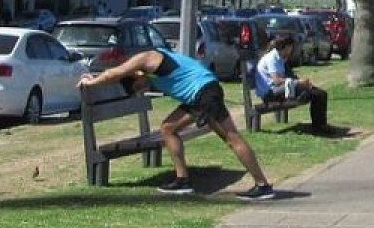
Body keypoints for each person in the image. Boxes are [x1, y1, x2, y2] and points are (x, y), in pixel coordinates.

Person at [78, 48, 276, 201]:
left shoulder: (147, 58)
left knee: (232, 138)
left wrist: (92, 82)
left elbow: (116, 72)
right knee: (168, 128)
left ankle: (262, 185)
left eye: (140, 86)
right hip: (200, 96)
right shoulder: (153, 72)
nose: (144, 89)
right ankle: (182, 180)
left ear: (137, 75)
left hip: (205, 94)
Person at [254, 34, 328, 132]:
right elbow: (276, 80)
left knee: (320, 93)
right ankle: (318, 127)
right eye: (291, 47)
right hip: (270, 94)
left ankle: (320, 125)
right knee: (310, 92)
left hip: (279, 90)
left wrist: (303, 83)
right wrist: (298, 82)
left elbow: (289, 77)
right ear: (287, 47)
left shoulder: (281, 58)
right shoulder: (272, 58)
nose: (292, 50)